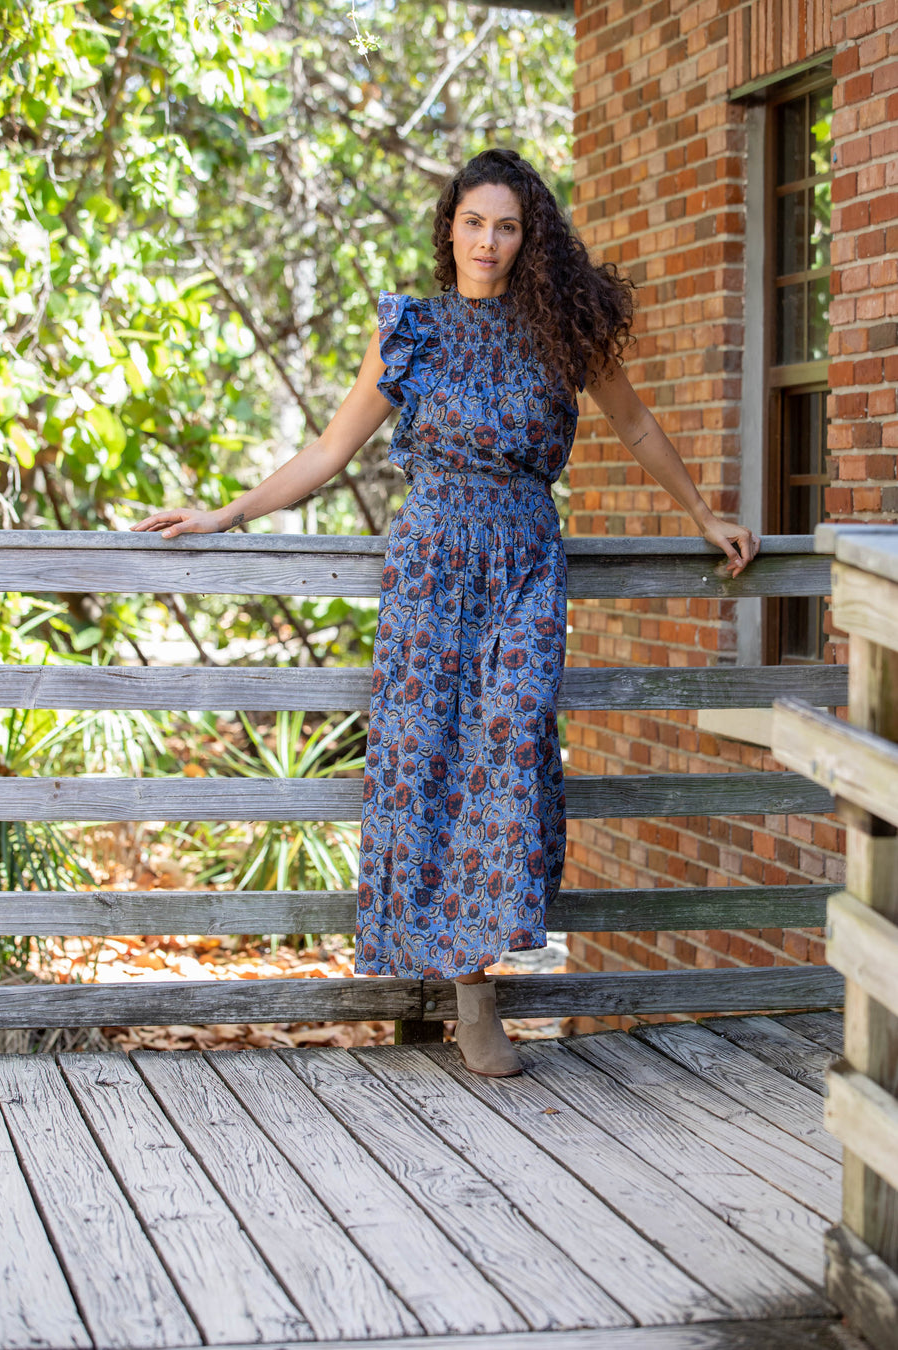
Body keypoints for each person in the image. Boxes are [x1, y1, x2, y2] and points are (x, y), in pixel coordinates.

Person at [132, 148, 760, 1078]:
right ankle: (471, 1000)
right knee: (427, 757)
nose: (489, 243)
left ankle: (483, 966)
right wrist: (225, 513)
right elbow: (330, 451)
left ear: (528, 235)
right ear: (450, 228)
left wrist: (702, 512)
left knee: (509, 746)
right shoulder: (412, 331)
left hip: (522, 567)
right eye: (474, 223)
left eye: (507, 226)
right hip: (430, 569)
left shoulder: (560, 328)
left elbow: (635, 426)